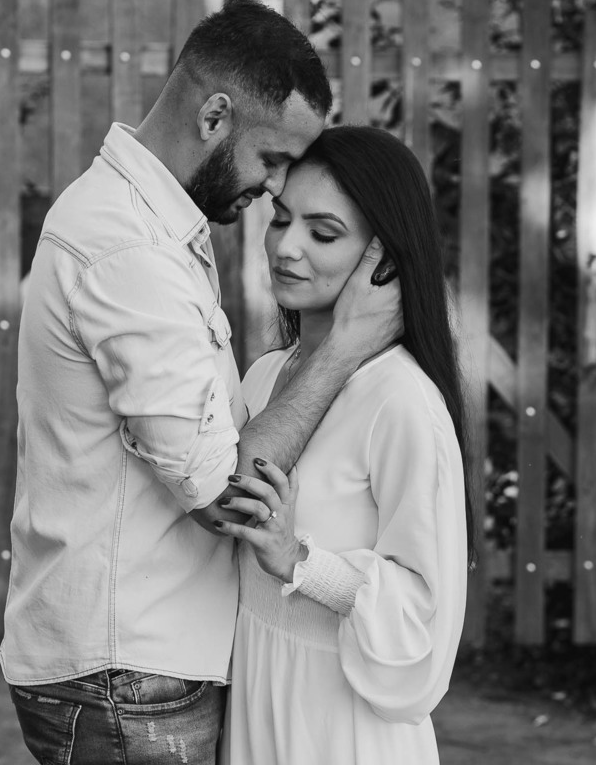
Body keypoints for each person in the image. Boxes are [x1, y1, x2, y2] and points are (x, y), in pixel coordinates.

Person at [0, 0, 402, 765]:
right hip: (126, 677)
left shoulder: (153, 225)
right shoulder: (128, 252)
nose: (276, 188)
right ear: (215, 116)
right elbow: (223, 494)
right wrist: (346, 346)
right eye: (273, 159)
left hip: (135, 665)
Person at [213, 126, 472, 765]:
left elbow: (422, 615)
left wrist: (300, 560)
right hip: (254, 697)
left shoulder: (401, 401)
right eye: (281, 220)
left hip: (341, 722)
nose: (287, 247)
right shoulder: (265, 377)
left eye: (323, 234)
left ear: (383, 261)